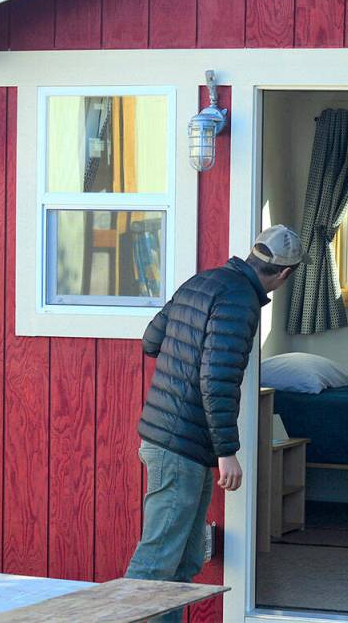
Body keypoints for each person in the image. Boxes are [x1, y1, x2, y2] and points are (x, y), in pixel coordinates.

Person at [125, 225, 307, 620]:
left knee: (184, 560)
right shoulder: (240, 301)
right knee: (155, 564)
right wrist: (228, 452)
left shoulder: (202, 282)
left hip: (175, 441)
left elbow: (151, 341)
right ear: (284, 274)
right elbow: (217, 379)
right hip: (180, 446)